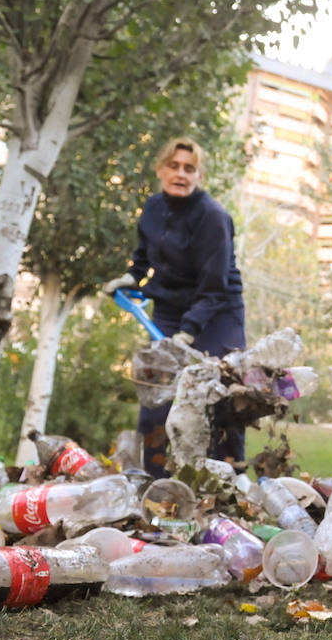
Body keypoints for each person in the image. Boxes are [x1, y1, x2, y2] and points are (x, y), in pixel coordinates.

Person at [103, 136, 246, 477]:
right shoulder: (153, 208)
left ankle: (231, 481)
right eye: (174, 166)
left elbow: (214, 286)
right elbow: (144, 256)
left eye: (189, 168)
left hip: (216, 313)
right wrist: (131, 277)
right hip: (170, 310)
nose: (180, 174)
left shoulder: (212, 217)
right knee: (158, 395)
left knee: (219, 396)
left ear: (199, 176)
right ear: (161, 169)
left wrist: (189, 332)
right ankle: (156, 482)